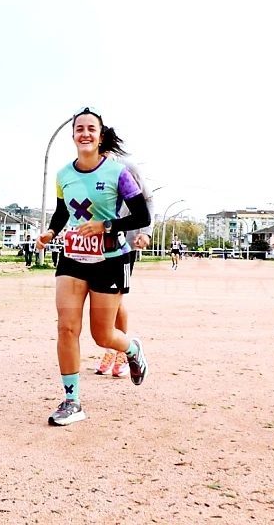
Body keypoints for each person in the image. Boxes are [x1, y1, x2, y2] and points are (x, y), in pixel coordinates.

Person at [36, 107, 150, 426]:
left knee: (103, 335)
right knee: (67, 327)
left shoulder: (117, 173)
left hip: (111, 260)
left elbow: (142, 217)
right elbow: (63, 213)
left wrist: (107, 226)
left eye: (91, 129)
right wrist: (51, 231)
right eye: (79, 129)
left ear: (100, 136)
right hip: (73, 258)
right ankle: (72, 401)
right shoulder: (63, 175)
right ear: (73, 135)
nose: (84, 133)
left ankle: (131, 348)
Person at [95, 149, 154, 379]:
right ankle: (116, 345)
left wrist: (146, 232)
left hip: (123, 244)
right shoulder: (87, 168)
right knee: (103, 301)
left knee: (116, 299)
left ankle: (120, 349)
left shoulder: (127, 168)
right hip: (94, 245)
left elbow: (148, 200)